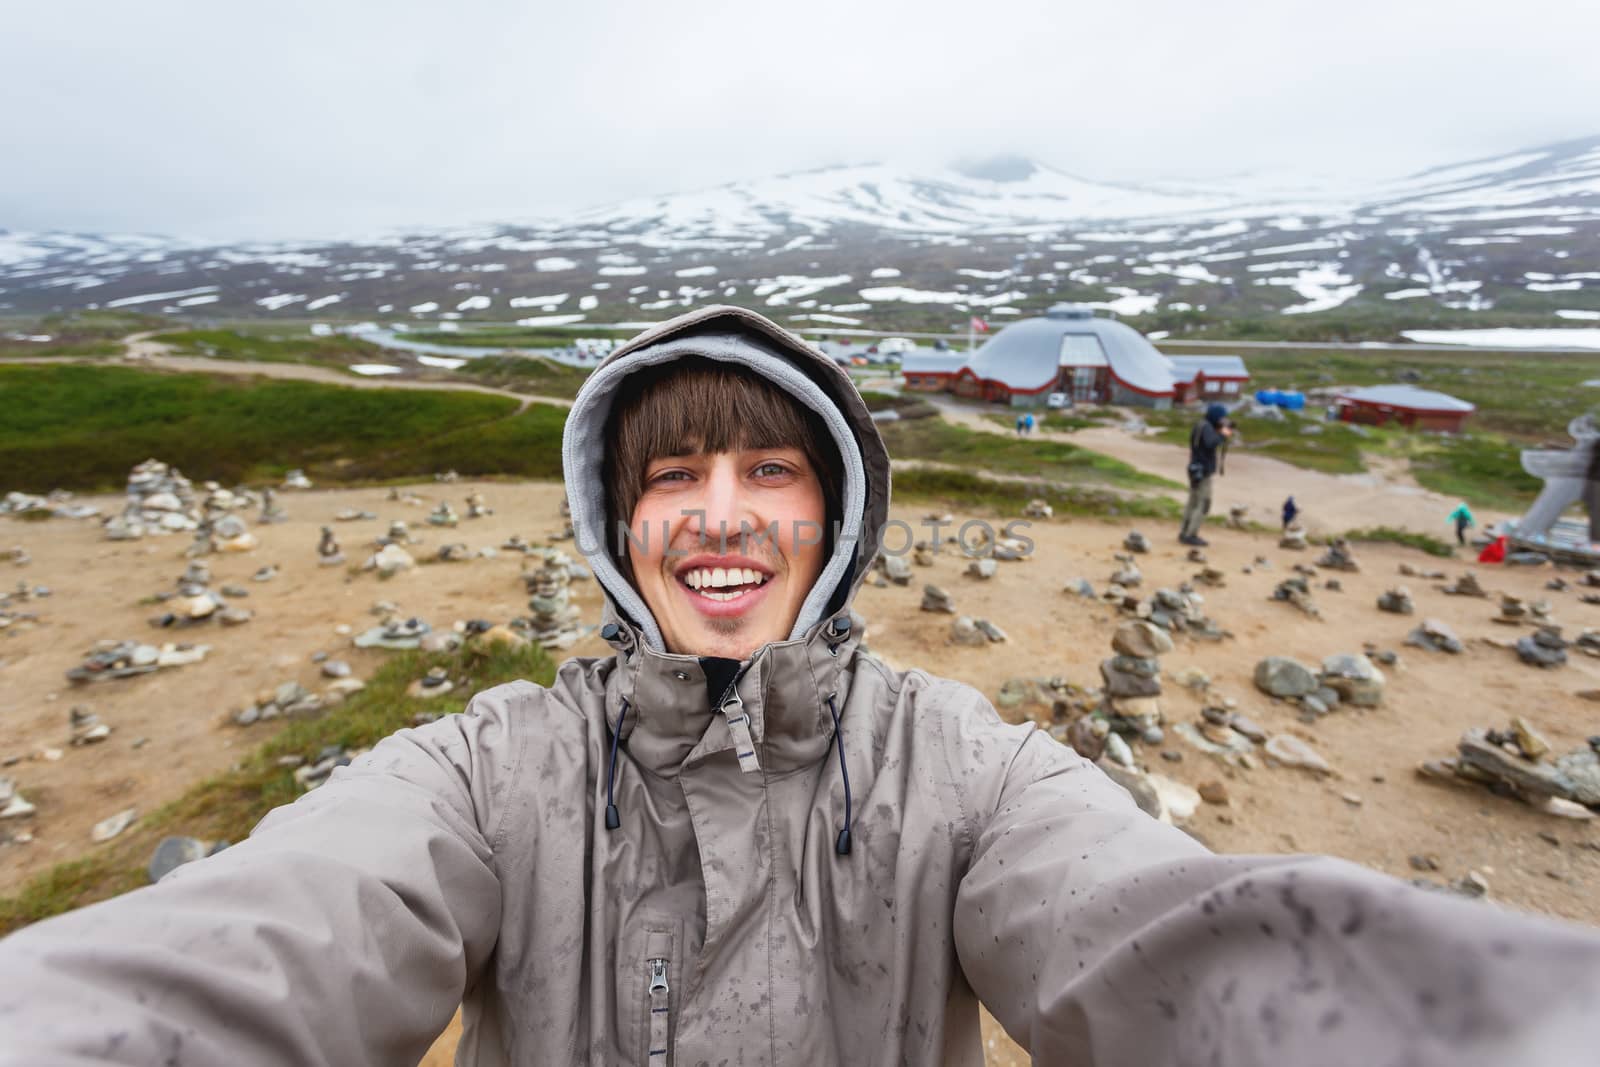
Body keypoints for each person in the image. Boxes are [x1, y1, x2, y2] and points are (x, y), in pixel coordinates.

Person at [3, 305, 1600, 1066]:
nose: (719, 511)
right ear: (617, 524)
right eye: (674, 472)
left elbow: (1177, 937)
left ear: (833, 519)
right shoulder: (490, 770)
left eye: (773, 468)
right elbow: (268, 933)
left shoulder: (960, 768)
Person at [1179, 402, 1232, 547]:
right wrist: (1222, 435)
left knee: (1192, 502)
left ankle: (1184, 532)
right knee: (1203, 503)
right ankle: (1191, 535)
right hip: (1203, 470)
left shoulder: (1200, 425)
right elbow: (1210, 444)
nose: (1222, 421)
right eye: (1221, 418)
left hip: (1194, 468)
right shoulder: (1207, 427)